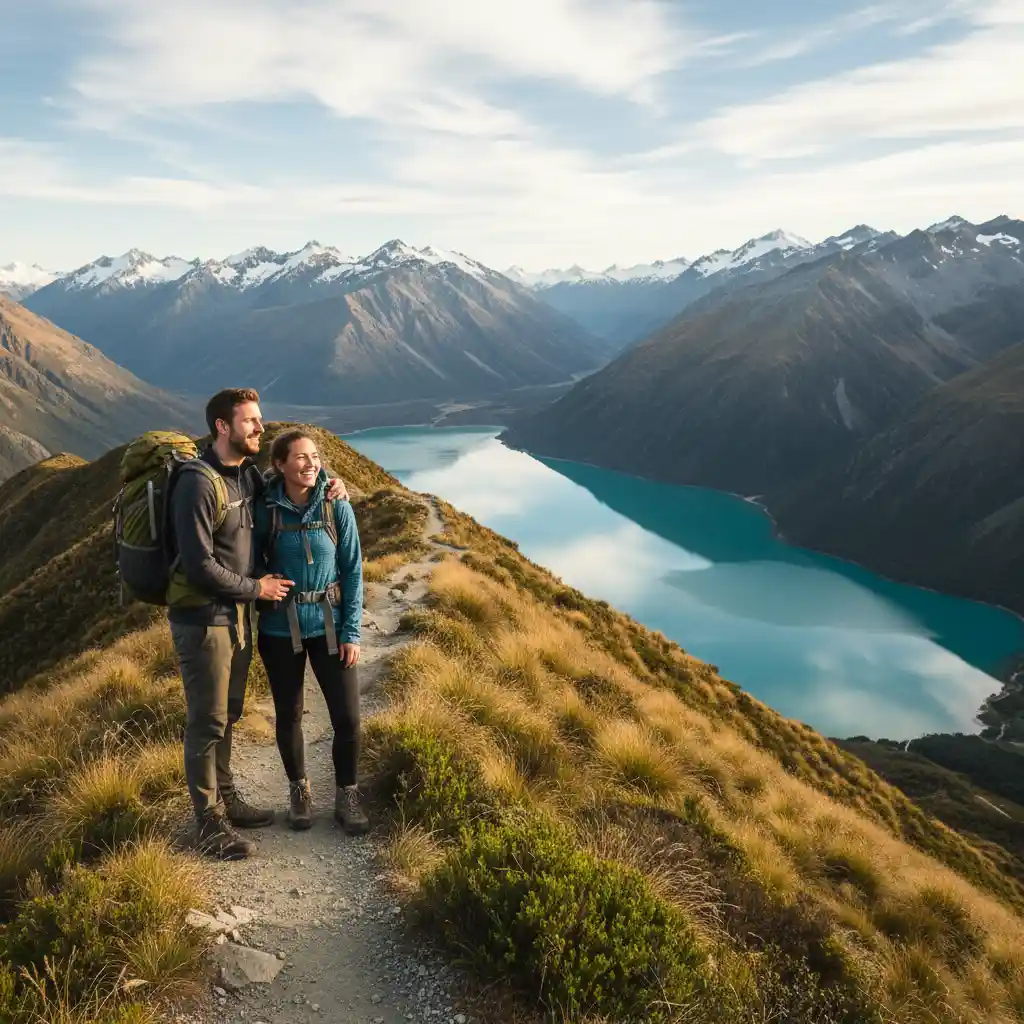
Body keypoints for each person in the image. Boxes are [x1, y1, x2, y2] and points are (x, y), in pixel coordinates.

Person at [168, 388, 348, 860]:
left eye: (260, 419)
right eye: (250, 421)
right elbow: (197, 564)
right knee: (206, 721)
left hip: (237, 619)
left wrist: (332, 481)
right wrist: (258, 590)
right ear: (222, 427)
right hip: (204, 619)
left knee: (226, 715)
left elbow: (294, 479)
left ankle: (227, 800)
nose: (260, 428)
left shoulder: (247, 477)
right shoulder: (198, 483)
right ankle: (207, 822)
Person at [253, 428, 369, 836]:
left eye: (315, 456)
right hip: (279, 628)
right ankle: (299, 791)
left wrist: (352, 630)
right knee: (289, 713)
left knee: (348, 719)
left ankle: (347, 795)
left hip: (332, 628)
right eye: (300, 457)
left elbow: (353, 571)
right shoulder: (264, 510)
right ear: (280, 464)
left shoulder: (337, 506)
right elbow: (247, 562)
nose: (311, 464)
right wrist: (261, 583)